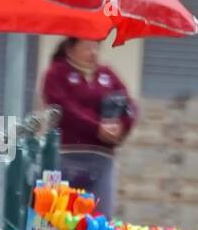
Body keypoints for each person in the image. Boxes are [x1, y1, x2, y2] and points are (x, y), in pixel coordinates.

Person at [41, 38, 137, 218]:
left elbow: (130, 106)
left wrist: (121, 127)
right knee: (60, 220)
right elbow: (64, 109)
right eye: (87, 47)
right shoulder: (56, 74)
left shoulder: (108, 75)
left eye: (96, 47)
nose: (93, 52)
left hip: (102, 160)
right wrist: (96, 127)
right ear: (70, 49)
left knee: (99, 220)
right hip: (66, 158)